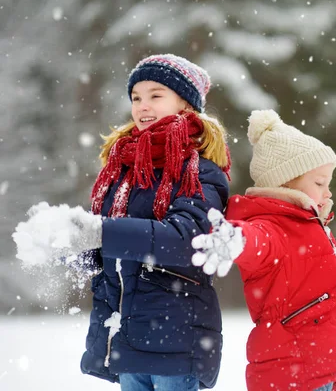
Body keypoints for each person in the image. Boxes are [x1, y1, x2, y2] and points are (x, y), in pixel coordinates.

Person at [16, 54, 231, 390]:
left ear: (186, 105)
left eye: (156, 95)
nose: (143, 105)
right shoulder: (125, 172)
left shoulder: (200, 173)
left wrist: (100, 232)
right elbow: (111, 256)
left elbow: (187, 239)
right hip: (126, 340)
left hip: (175, 343)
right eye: (136, 97)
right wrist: (66, 242)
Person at [191, 109, 336, 391]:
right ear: (285, 182)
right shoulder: (273, 227)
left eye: (329, 184)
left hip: (314, 365)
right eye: (319, 183)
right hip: (295, 368)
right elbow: (257, 242)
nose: (328, 193)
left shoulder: (309, 226)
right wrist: (235, 239)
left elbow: (328, 262)